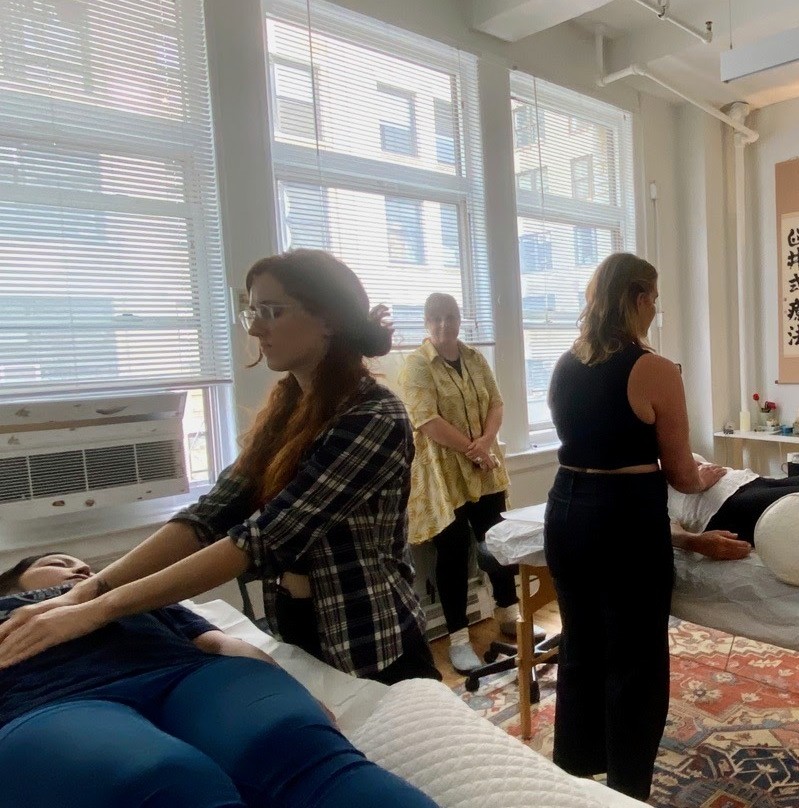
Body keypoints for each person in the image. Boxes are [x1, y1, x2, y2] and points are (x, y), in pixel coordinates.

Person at [0, 249, 440, 685]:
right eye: (253, 312)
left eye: (272, 311)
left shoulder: (374, 418)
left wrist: (98, 610)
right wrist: (85, 591)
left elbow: (260, 539)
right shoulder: (289, 409)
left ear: (329, 320)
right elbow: (210, 514)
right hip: (299, 620)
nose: (256, 328)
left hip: (370, 634)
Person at [0, 553, 438, 808]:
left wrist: (294, 689)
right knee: (159, 779)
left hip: (188, 676)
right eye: (59, 563)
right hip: (51, 703)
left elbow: (219, 642)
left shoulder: (125, 596)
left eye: (85, 565)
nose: (81, 570)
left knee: (289, 741)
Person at [544, 252, 726, 801]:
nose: (655, 310)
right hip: (623, 518)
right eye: (654, 300)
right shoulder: (655, 369)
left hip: (565, 509)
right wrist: (705, 476)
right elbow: (681, 474)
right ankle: (626, 788)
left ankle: (575, 776)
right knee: (636, 657)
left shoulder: (565, 363)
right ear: (639, 298)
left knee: (581, 647)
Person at [398, 292, 541, 675]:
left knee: (498, 541)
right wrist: (473, 449)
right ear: (426, 322)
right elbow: (427, 421)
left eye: (450, 316)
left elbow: (496, 403)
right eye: (436, 318)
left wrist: (485, 443)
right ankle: (459, 638)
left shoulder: (475, 358)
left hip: (484, 467)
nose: (444, 324)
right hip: (444, 475)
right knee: (453, 552)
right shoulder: (416, 366)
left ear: (460, 319)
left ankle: (508, 615)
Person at [669, 454, 799, 559]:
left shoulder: (667, 456)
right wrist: (695, 542)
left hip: (751, 480)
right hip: (727, 505)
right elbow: (667, 528)